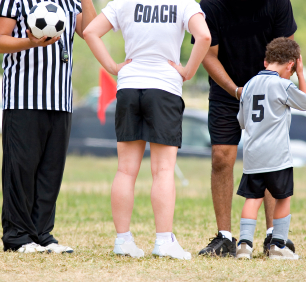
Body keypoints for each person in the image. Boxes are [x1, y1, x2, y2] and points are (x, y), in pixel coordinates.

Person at [83, 0, 211, 259]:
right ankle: (163, 241)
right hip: (164, 88)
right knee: (163, 170)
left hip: (129, 86)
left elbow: (89, 32)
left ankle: (123, 241)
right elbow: (204, 36)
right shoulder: (183, 3)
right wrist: (188, 71)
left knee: (125, 170)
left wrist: (112, 67)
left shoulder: (123, 1)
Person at [0, 0, 96, 253]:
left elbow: (91, 31)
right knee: (21, 169)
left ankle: (42, 234)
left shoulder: (71, 2)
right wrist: (31, 42)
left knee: (51, 173)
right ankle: (17, 236)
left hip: (60, 100)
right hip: (23, 98)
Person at [195, 0, 298, 257]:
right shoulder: (211, 5)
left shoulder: (277, 3)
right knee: (221, 156)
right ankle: (225, 238)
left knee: (271, 159)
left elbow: (288, 51)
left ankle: (274, 237)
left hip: (269, 91)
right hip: (227, 91)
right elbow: (207, 54)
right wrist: (238, 91)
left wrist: (276, 87)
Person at [235, 38, 306, 259]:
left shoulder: (248, 85)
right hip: (277, 155)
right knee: (282, 197)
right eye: (293, 70)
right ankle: (278, 246)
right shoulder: (283, 84)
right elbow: (305, 103)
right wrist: (301, 76)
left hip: (252, 155)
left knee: (253, 198)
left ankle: (244, 245)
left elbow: (241, 120)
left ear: (266, 61)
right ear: (291, 65)